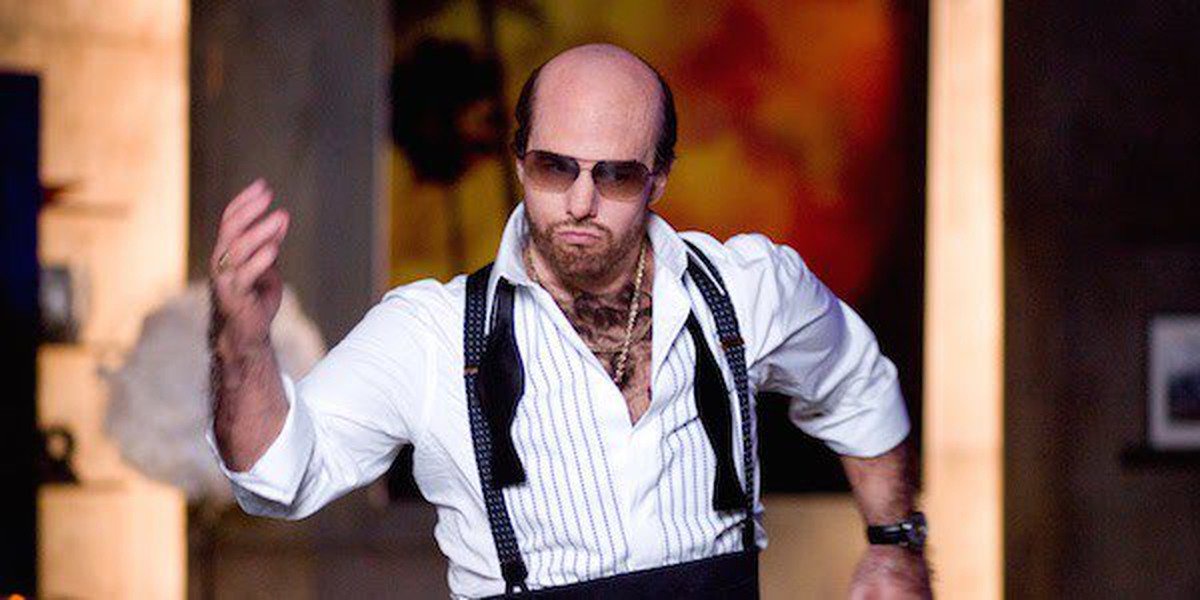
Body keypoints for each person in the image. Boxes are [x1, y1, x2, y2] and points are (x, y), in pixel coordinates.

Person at [206, 43, 931, 598]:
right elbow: (276, 477)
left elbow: (855, 380)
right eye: (557, 167)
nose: (581, 203)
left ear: (659, 176)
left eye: (614, 174)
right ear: (521, 162)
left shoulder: (747, 289)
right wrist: (242, 342)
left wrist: (894, 543)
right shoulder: (430, 334)